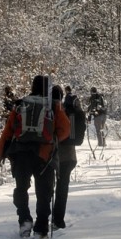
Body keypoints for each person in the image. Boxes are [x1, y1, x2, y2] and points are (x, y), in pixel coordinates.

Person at [0, 75, 70, 239]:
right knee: (44, 192)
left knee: (21, 188)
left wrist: (0, 153)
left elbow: (8, 131)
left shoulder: (20, 104)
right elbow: (65, 129)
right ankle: (41, 228)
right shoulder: (52, 105)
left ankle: (24, 220)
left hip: (21, 154)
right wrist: (52, 138)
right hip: (44, 155)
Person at [51, 85, 86, 230]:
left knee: (47, 189)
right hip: (69, 156)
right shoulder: (68, 110)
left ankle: (45, 219)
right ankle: (58, 220)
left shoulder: (50, 111)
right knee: (62, 188)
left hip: (50, 156)